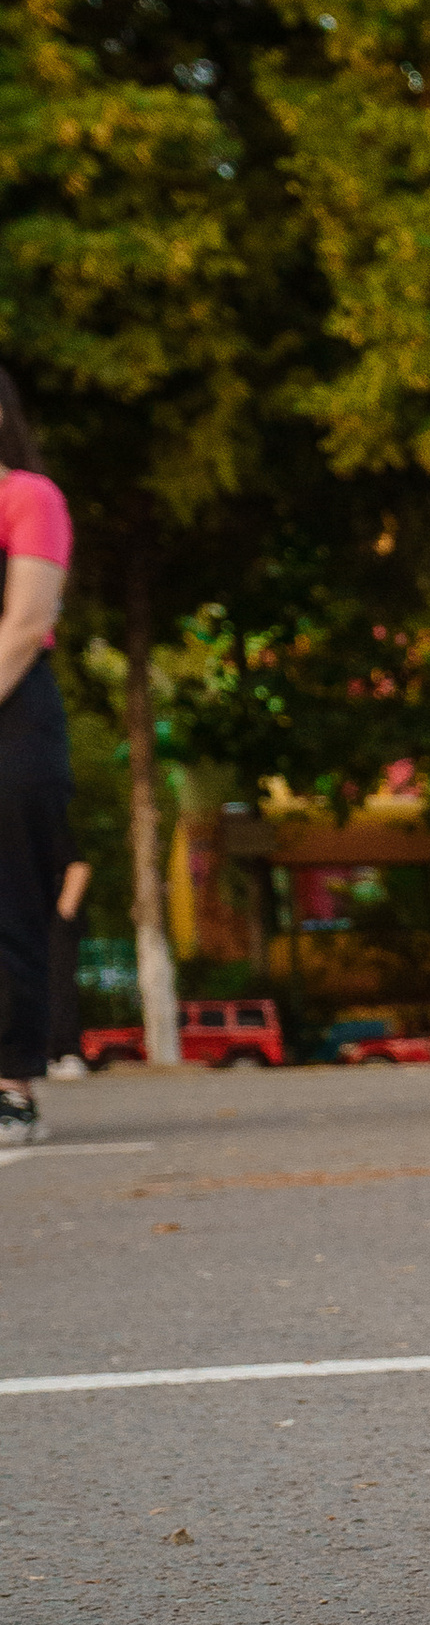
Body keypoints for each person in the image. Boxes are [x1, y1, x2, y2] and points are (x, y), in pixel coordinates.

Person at [0, 366, 75, 1151]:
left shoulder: (26, 496)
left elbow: (25, 623)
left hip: (14, 722)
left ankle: (11, 1088)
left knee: (8, 906)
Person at [48, 853, 90, 1077]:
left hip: (51, 920)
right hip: (20, 919)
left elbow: (78, 864)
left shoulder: (40, 819)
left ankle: (66, 1053)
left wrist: (63, 914)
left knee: (58, 983)